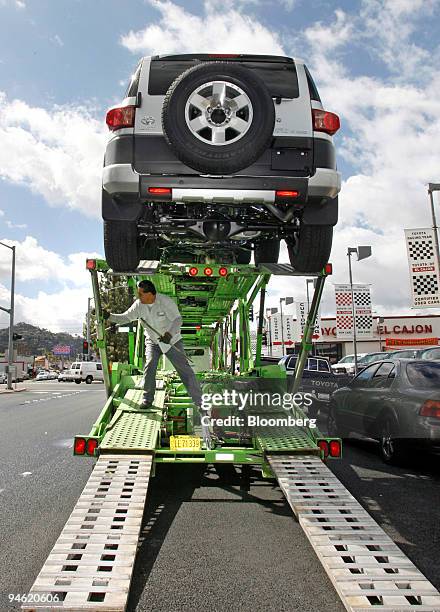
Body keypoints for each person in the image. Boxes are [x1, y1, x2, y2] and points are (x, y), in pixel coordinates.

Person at [107, 280, 213, 448]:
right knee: (149, 366)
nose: (138, 296)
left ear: (150, 293)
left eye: (141, 293)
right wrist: (110, 317)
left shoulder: (165, 301)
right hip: (153, 342)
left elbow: (178, 320)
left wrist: (169, 334)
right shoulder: (138, 305)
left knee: (185, 371)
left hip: (172, 342)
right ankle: (147, 399)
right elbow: (126, 317)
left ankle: (200, 403)